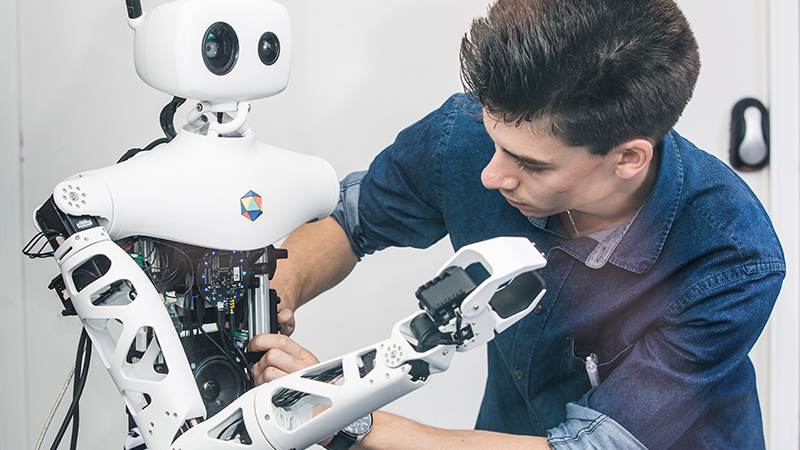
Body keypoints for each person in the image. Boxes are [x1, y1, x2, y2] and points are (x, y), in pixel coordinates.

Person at [248, 0, 785, 448]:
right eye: (493, 140)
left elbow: (593, 447)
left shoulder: (733, 260)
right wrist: (273, 296)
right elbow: (351, 222)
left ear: (627, 159)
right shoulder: (472, 132)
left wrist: (344, 414)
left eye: (529, 164)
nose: (489, 174)